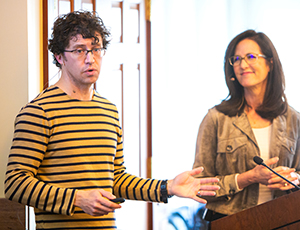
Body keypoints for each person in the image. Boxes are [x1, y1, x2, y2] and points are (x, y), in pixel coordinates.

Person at [4, 11, 219, 230]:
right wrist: (78, 199)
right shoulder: (39, 111)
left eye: (96, 49)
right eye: (79, 51)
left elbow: (115, 179)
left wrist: (167, 188)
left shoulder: (108, 110)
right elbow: (15, 183)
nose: (90, 59)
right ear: (60, 57)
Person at [193, 29, 300, 226]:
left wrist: (294, 179)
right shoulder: (216, 119)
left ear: (270, 63)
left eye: (251, 56)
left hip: (285, 220)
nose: (242, 65)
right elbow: (200, 187)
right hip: (230, 222)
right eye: (236, 59)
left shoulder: (294, 119)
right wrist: (246, 178)